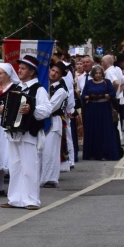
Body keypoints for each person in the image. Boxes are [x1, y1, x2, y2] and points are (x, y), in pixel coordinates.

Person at [0, 55, 51, 210]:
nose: (20, 71)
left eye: (23, 69)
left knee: (30, 166)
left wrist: (31, 108)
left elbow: (46, 109)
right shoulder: (16, 88)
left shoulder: (39, 89)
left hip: (29, 132)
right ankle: (15, 198)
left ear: (31, 72)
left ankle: (32, 199)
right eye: (19, 68)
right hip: (14, 132)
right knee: (15, 166)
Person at [39, 61, 70, 189]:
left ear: (61, 76)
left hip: (53, 120)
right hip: (41, 120)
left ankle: (50, 178)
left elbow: (50, 107)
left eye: (57, 73)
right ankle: (40, 177)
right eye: (52, 71)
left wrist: (35, 110)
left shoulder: (61, 90)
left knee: (50, 150)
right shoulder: (43, 85)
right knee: (41, 149)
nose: (53, 74)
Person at [80, 65, 121, 161]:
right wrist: (90, 97)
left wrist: (104, 95)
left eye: (100, 73)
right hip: (92, 109)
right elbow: (83, 95)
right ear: (93, 74)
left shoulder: (107, 82)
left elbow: (112, 94)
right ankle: (93, 153)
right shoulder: (89, 83)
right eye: (96, 73)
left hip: (104, 108)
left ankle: (105, 153)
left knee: (105, 130)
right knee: (93, 130)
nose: (98, 75)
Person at [0, 63, 19, 196]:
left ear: (8, 75)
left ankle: (15, 186)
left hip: (7, 125)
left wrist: (5, 109)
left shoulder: (14, 88)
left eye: (0, 73)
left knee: (7, 154)